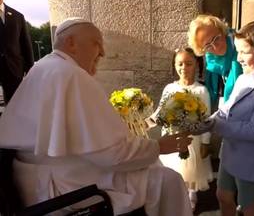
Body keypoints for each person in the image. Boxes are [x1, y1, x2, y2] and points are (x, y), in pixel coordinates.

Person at [0, 18, 194, 216]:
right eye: (96, 43)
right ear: (71, 43)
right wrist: (159, 147)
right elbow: (113, 155)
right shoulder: (71, 75)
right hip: (63, 186)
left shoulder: (42, 67)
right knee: (167, 179)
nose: (103, 52)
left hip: (39, 181)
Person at [196, 19, 254, 216]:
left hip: (249, 157)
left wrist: (215, 126)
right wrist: (202, 123)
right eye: (237, 51)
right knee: (223, 195)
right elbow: (226, 108)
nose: (238, 58)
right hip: (230, 151)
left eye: (244, 52)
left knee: (248, 206)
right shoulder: (244, 78)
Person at [154, 48, 213, 210]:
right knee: (173, 170)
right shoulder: (169, 89)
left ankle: (191, 197)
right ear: (174, 65)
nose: (184, 68)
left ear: (196, 65)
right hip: (171, 137)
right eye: (180, 64)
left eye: (189, 64)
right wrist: (141, 122)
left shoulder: (201, 90)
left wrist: (205, 142)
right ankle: (173, 199)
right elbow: (160, 112)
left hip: (192, 139)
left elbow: (206, 119)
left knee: (191, 170)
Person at [0, 0, 34, 104]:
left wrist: (30, 69)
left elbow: (26, 44)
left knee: (16, 105)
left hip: (14, 69)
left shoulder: (17, 16)